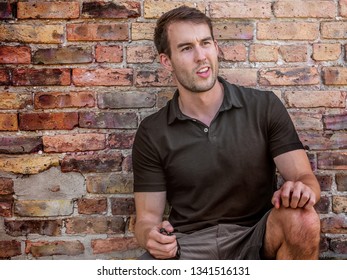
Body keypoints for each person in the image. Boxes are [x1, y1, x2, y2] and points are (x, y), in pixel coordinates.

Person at [132, 6, 321, 260]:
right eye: (186, 48)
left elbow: (304, 178)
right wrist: (150, 236)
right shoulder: (152, 131)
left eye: (205, 43)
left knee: (303, 218)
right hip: (188, 246)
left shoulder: (263, 107)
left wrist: (302, 191)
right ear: (167, 61)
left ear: (216, 46)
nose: (201, 56)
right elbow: (146, 220)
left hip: (256, 235)